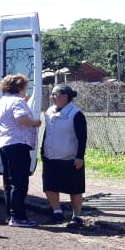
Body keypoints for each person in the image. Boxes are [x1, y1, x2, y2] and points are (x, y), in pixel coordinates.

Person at [0, 73, 42, 227]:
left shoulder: (3, 101)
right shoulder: (17, 101)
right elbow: (21, 119)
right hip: (18, 144)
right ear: (20, 87)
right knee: (19, 182)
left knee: (8, 182)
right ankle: (19, 217)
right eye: (25, 87)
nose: (25, 90)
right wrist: (36, 122)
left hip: (5, 144)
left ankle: (10, 215)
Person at [41, 84, 88, 228]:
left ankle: (77, 216)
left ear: (66, 97)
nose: (54, 97)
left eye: (57, 94)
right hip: (51, 156)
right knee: (50, 186)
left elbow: (82, 137)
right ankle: (57, 213)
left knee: (75, 188)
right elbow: (47, 132)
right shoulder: (49, 111)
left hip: (70, 157)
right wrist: (42, 150)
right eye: (53, 94)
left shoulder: (76, 114)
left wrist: (80, 156)